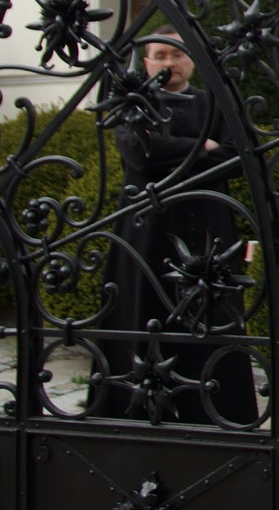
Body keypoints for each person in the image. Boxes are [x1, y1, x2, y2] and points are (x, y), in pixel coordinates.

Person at [104, 26, 260, 426]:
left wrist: (174, 153)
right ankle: (139, 415)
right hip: (148, 232)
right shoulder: (133, 104)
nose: (168, 62)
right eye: (160, 55)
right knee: (145, 317)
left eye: (177, 54)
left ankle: (215, 415)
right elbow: (140, 153)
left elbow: (238, 157)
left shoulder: (214, 103)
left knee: (211, 320)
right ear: (146, 62)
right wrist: (203, 147)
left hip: (208, 231)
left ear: (192, 60)